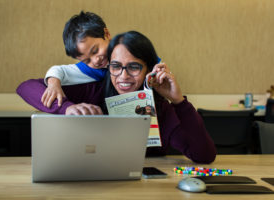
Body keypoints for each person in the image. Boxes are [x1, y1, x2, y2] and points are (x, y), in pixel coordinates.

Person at [17, 31, 217, 164]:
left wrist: (179, 102)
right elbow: (26, 87)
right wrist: (66, 107)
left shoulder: (161, 109)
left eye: (134, 67)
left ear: (149, 69)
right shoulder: (93, 90)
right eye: (116, 66)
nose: (123, 76)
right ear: (108, 66)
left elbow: (204, 155)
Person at [42, 11, 111, 107]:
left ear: (107, 34)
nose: (95, 61)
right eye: (87, 61)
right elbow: (57, 70)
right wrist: (53, 84)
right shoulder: (86, 69)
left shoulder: (126, 54)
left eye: (95, 51)